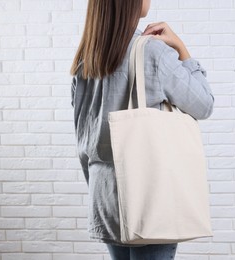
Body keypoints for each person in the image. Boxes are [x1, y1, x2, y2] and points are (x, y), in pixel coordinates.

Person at [69, 0, 214, 259]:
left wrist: (100, 187)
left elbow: (84, 139)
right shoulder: (153, 52)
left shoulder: (85, 60)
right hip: (151, 197)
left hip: (107, 199)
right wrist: (182, 49)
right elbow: (203, 104)